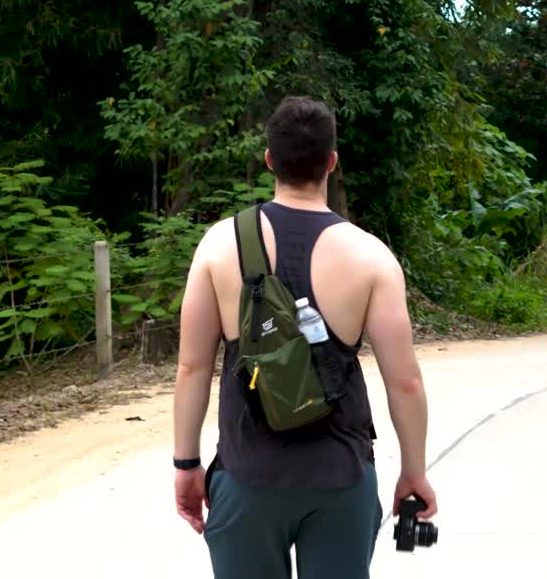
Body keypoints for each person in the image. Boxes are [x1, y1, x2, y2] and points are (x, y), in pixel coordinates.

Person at [171, 95, 437, 579]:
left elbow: (190, 367)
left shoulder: (218, 245)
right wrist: (413, 472)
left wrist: (185, 462)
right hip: (341, 479)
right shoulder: (371, 256)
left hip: (246, 478)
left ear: (269, 159)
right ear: (332, 163)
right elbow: (406, 383)